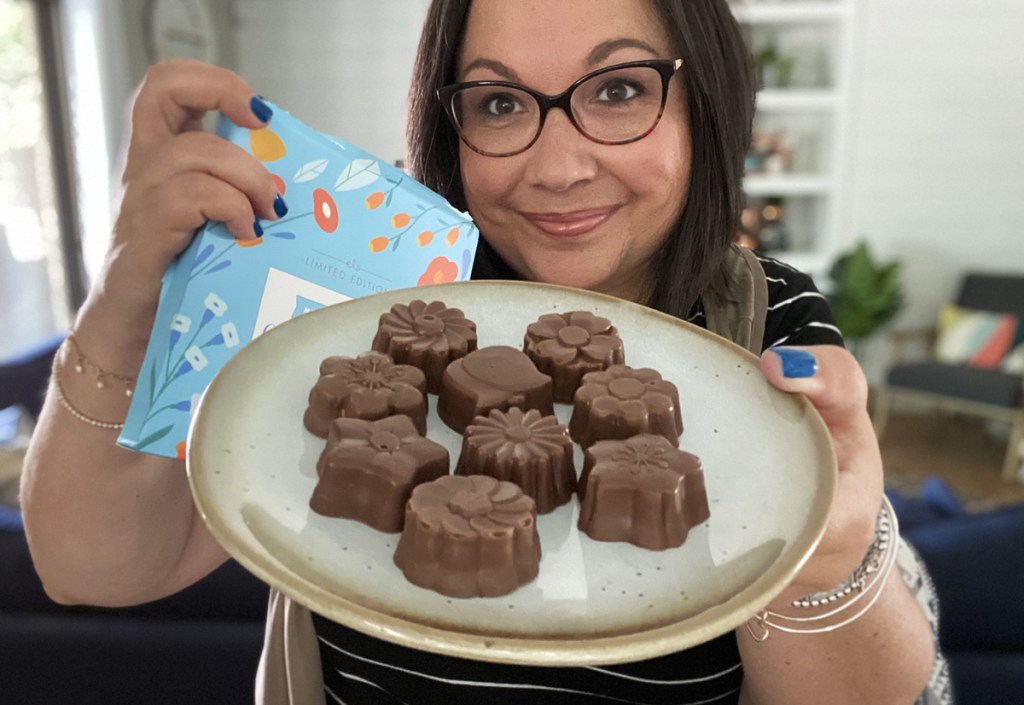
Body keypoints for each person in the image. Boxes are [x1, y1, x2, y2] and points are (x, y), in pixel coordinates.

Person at [20, 1, 944, 703]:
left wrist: (831, 558)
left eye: (618, 90)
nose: (556, 164)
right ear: (447, 115)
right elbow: (92, 567)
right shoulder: (361, 297)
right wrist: (127, 297)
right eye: (501, 102)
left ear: (703, 98)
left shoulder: (768, 318)